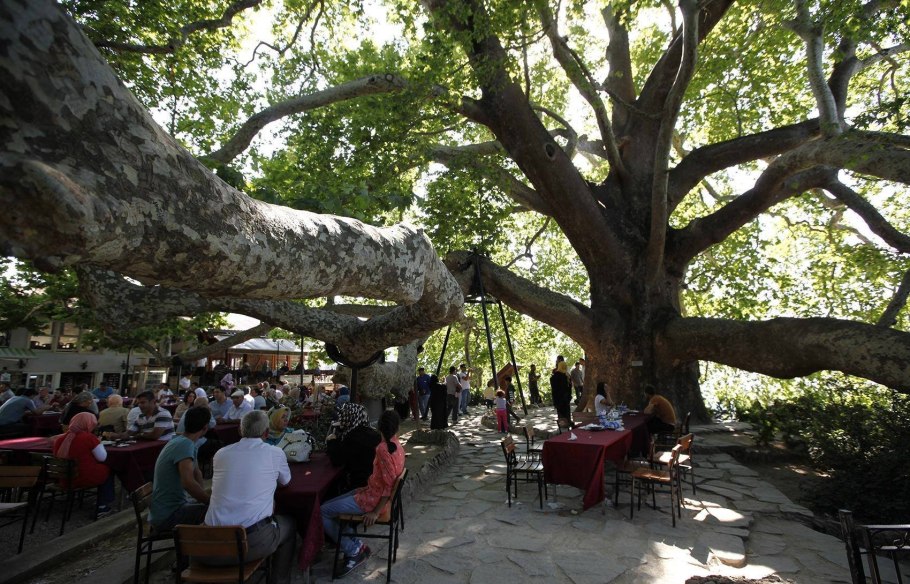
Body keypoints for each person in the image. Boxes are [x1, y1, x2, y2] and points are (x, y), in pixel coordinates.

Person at [204, 410, 296, 584]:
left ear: (240, 431)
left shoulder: (221, 454)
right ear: (266, 433)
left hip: (208, 546)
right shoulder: (274, 453)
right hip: (249, 543)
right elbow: (286, 481)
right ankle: (279, 580)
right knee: (290, 524)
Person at [321, 410, 405, 577]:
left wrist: (374, 512)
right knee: (333, 503)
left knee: (322, 511)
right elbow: (385, 482)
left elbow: (388, 486)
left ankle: (353, 549)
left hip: (373, 501)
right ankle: (355, 544)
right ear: (397, 428)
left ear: (380, 427)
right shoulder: (397, 445)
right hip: (370, 493)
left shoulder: (383, 449)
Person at [148, 407, 211, 533]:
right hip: (168, 515)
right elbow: (188, 483)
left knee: (212, 508)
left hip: (166, 510)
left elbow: (196, 472)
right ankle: (201, 550)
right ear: (205, 428)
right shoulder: (185, 445)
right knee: (217, 513)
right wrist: (209, 501)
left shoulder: (181, 440)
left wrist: (204, 497)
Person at [52, 412, 116, 516]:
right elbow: (102, 457)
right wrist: (98, 443)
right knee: (108, 469)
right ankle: (102, 505)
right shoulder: (88, 438)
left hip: (64, 478)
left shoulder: (59, 439)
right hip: (83, 477)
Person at [326, 403, 381, 493]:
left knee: (325, 506)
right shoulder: (375, 434)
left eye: (344, 417)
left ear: (349, 418)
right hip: (377, 483)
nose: (341, 421)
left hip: (361, 488)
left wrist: (332, 441)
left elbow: (337, 461)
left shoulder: (352, 438)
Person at [550, 355, 572, 424]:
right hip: (565, 398)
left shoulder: (555, 377)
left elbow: (554, 389)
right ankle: (567, 423)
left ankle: (563, 425)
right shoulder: (566, 376)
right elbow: (569, 387)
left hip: (559, 399)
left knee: (561, 414)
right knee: (566, 412)